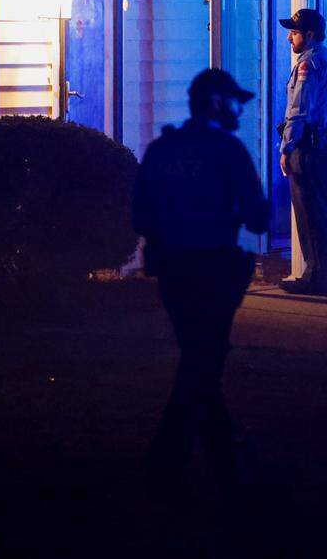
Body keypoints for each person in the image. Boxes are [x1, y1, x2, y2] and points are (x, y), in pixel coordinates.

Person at [131, 68, 269, 495]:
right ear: (215, 103)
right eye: (234, 102)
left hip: (173, 271)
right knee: (202, 363)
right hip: (213, 270)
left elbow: (139, 215)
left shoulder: (161, 149)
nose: (240, 111)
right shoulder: (226, 150)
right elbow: (259, 216)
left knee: (199, 358)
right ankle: (167, 463)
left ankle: (222, 457)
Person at [277, 8, 327, 295]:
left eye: (293, 33)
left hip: (307, 147)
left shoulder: (308, 64)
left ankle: (315, 277)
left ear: (309, 35)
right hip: (324, 146)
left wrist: (286, 147)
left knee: (309, 213)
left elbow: (298, 111)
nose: (290, 39)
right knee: (323, 210)